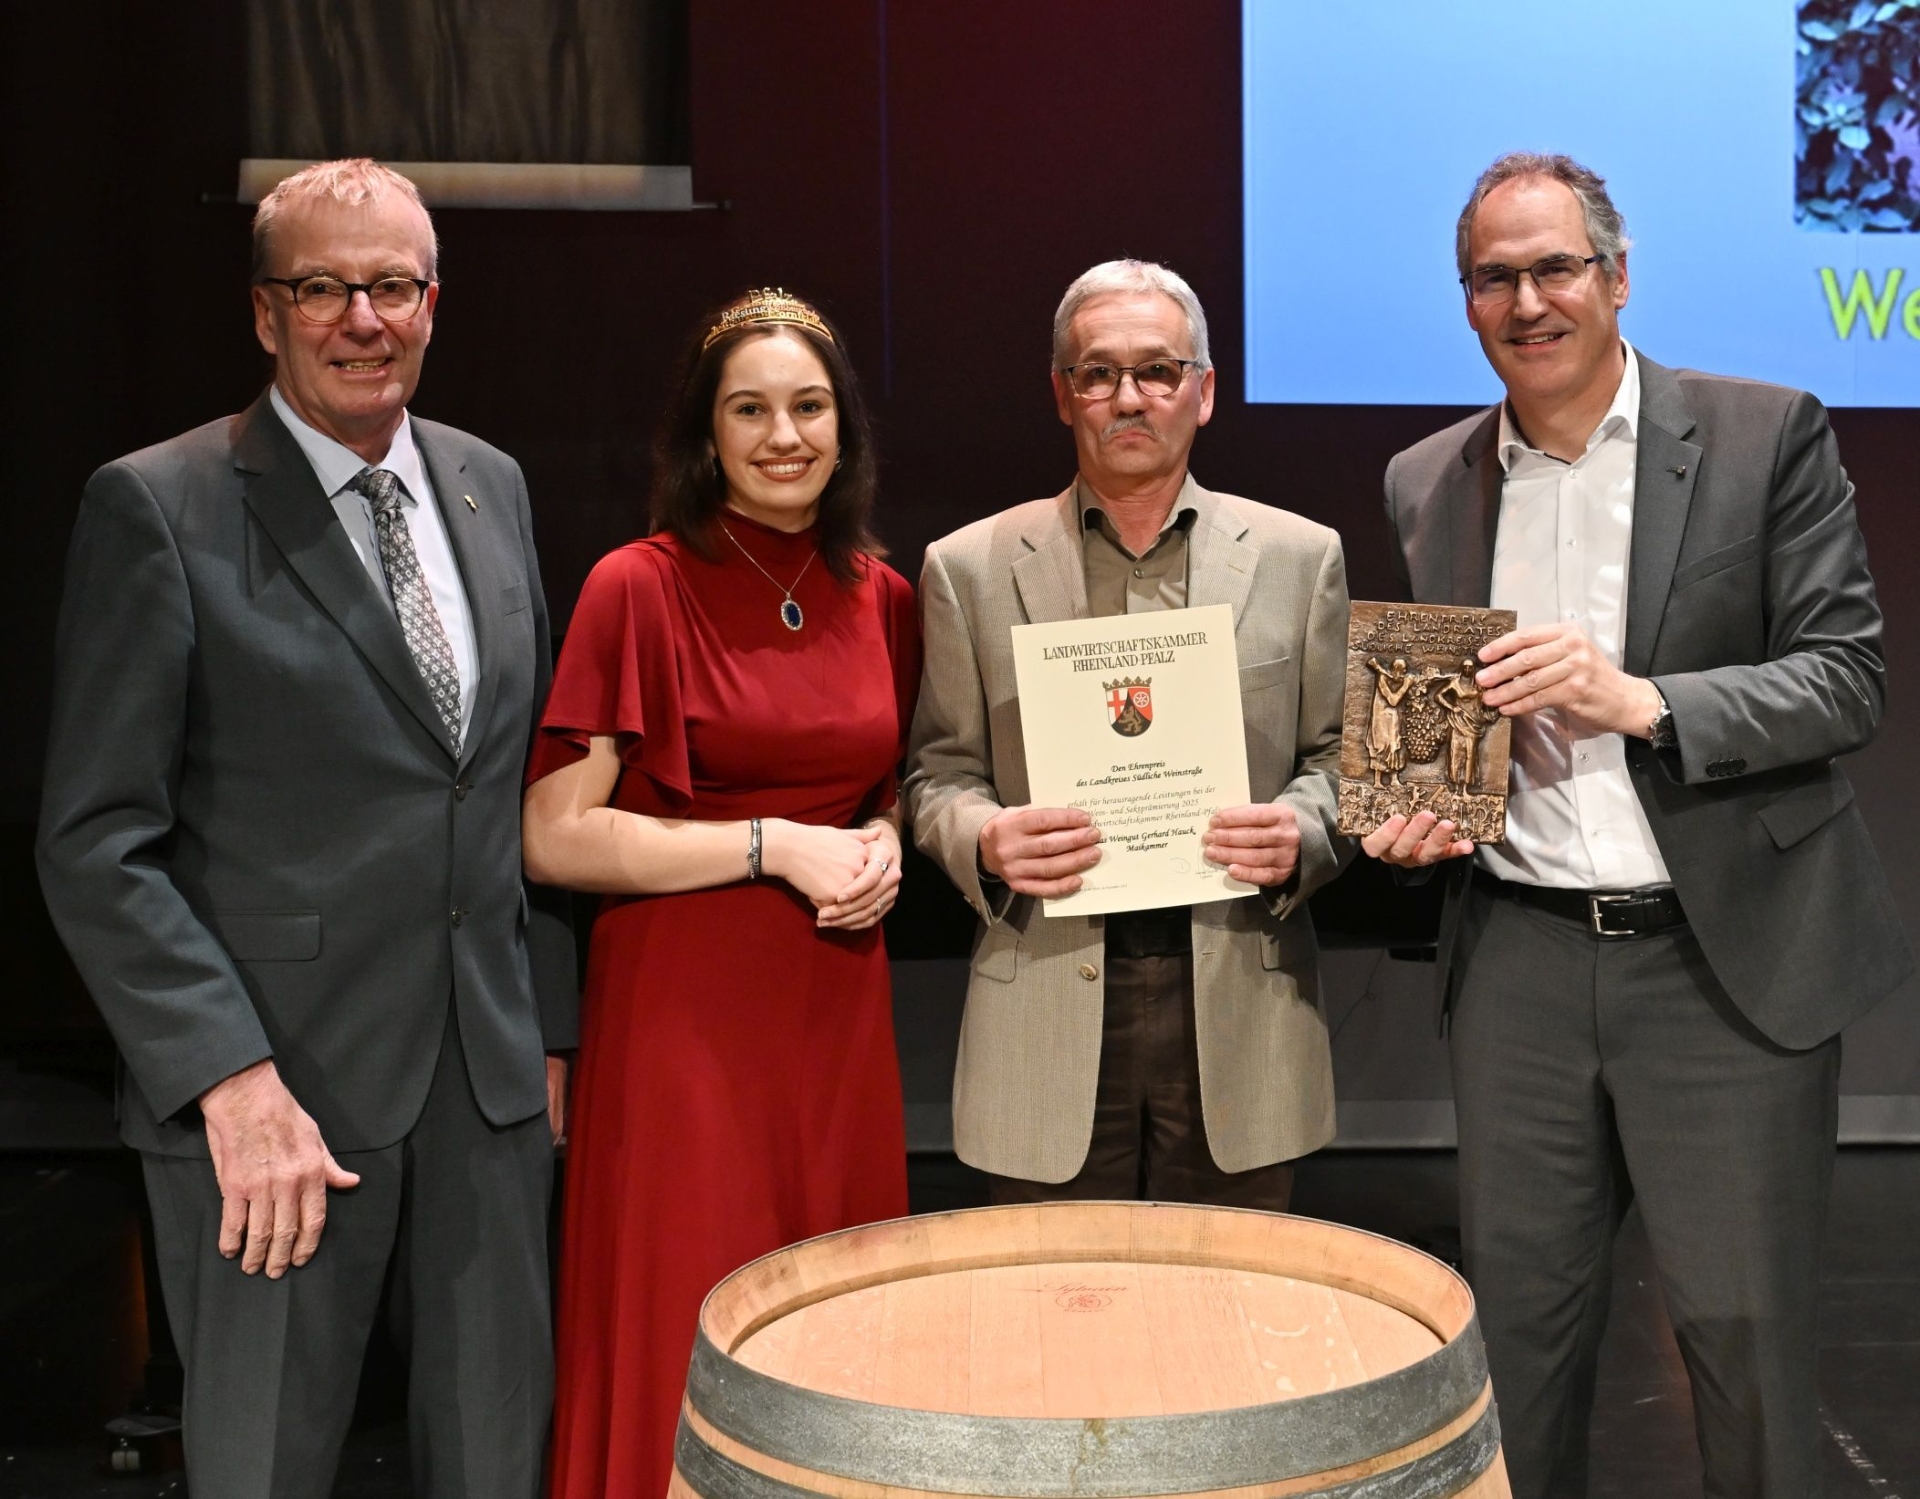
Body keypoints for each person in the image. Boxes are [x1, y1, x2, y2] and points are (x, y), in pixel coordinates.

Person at [1367, 152, 1912, 1498]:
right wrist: (1418, 816)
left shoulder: (1762, 430)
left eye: (1555, 267)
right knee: (1520, 1342)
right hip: (1520, 962)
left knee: (1742, 1342)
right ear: (1467, 301)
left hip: (1718, 965)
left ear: (1616, 277)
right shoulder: (1426, 478)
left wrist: (1643, 699)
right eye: (1494, 276)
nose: (1527, 299)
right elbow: (1435, 720)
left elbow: (1847, 676)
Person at [35, 159, 575, 1499]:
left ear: (433, 303)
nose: (362, 318)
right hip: (274, 1102)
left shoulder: (489, 483)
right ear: (264, 313)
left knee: (500, 1461)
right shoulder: (158, 504)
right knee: (265, 1465)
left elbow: (514, 783)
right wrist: (225, 1073)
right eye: (322, 287)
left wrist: (548, 1031)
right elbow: (96, 836)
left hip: (486, 1093)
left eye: (391, 285)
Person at [522, 288, 919, 1498]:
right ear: (706, 432)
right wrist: (773, 846)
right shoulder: (635, 585)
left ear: (843, 427)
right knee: (688, 1308)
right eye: (749, 408)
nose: (782, 434)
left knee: (833, 1318)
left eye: (808, 406)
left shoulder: (884, 595)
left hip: (834, 1008)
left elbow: (889, 785)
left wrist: (888, 840)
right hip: (681, 1019)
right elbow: (554, 835)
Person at [903, 259, 1349, 1206]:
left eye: (1158, 370)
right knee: (1055, 1324)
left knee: (1228, 1320)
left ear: (1205, 391)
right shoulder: (969, 568)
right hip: (1048, 990)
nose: (1130, 398)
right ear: (1063, 397)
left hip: (1235, 993)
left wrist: (1301, 830)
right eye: (1098, 374)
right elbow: (938, 772)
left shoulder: (1301, 558)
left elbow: (1335, 758)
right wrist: (983, 836)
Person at [1365, 656, 1414, 785]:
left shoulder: (1394, 679)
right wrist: (1406, 685)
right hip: (1382, 720)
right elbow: (1393, 700)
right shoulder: (1382, 678)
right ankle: (1377, 781)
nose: (1404, 673)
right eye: (1403, 670)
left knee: (1395, 746)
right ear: (1396, 669)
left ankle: (1394, 778)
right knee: (1382, 747)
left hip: (1394, 719)